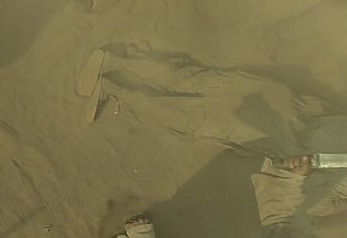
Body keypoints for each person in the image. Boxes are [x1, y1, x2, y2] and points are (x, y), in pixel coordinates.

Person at [75, 46, 347, 236]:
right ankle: (114, 79)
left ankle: (114, 75)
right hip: (272, 120)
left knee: (193, 89)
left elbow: (305, 206)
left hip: (276, 122)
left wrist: (296, 173)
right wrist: (296, 171)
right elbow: (291, 209)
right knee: (189, 102)